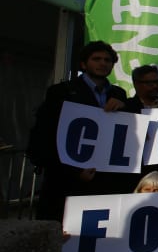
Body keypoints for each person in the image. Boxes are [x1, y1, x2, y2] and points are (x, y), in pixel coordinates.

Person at [27, 40, 131, 221]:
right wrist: (74, 170)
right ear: (84, 64)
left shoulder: (119, 94)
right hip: (66, 183)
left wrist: (124, 108)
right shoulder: (61, 92)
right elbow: (45, 137)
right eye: (96, 59)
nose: (102, 63)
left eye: (107, 60)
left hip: (106, 183)